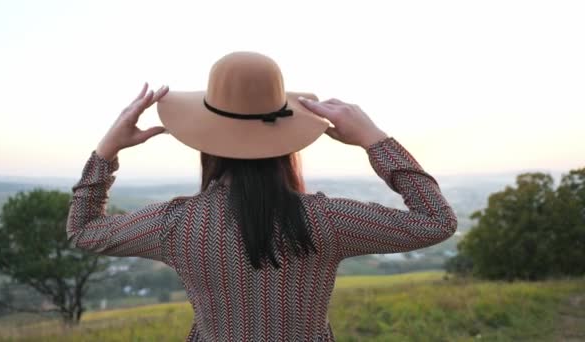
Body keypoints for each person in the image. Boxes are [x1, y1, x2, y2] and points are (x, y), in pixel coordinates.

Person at [66, 52, 457, 341]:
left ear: (206, 141)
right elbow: (437, 221)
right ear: (287, 140)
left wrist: (106, 151)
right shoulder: (325, 220)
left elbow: (83, 231)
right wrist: (375, 140)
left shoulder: (177, 225)